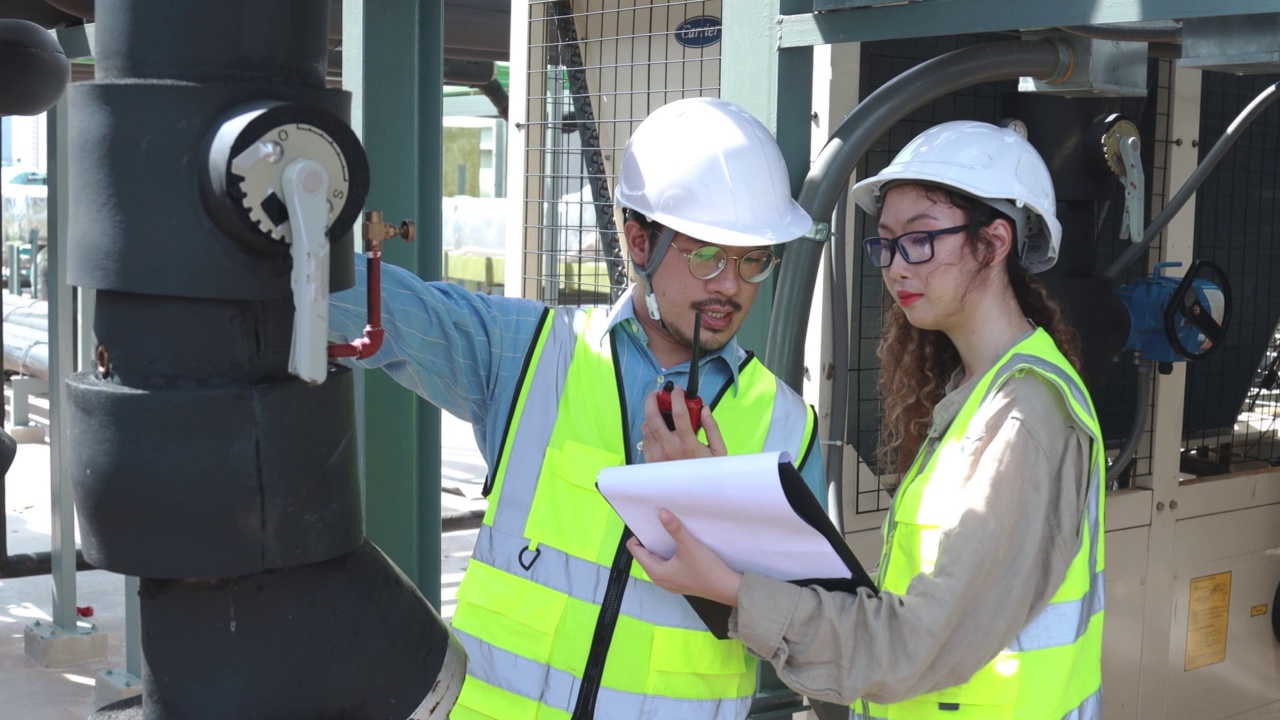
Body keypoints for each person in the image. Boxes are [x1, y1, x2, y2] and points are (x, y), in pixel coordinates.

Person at [329, 96, 825, 719]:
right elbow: (378, 308)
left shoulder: (788, 429)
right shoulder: (529, 354)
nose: (731, 284)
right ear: (639, 241)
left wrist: (712, 506)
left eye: (753, 261)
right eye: (707, 256)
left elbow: (813, 639)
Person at [631, 120, 1106, 719]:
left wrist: (730, 589)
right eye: (886, 243)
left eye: (921, 239)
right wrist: (717, 511)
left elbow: (911, 646)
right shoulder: (977, 395)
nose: (897, 266)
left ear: (995, 241)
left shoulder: (1023, 417)